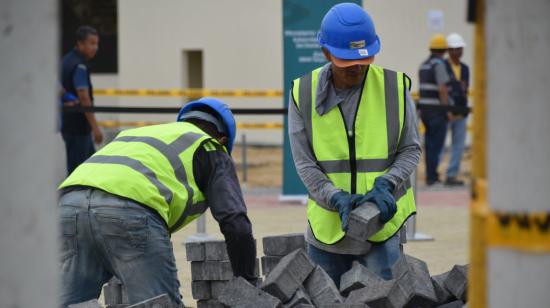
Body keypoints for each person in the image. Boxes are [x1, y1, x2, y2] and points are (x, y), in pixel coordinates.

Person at [57, 98, 257, 307]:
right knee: (158, 304)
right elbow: (236, 223)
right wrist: (249, 285)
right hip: (129, 210)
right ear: (223, 139)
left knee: (68, 303)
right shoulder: (209, 146)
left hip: (68, 207)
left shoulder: (140, 134)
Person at [288, 3, 420, 286]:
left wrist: (388, 184)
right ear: (326, 53)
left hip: (381, 229)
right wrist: (334, 196)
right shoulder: (303, 93)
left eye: (364, 59)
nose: (358, 67)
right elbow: (304, 162)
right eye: (348, 61)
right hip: (328, 232)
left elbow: (410, 149)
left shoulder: (394, 87)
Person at [60, 26, 103, 175]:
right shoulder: (79, 66)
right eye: (91, 43)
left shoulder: (66, 60)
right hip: (79, 126)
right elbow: (84, 97)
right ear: (80, 44)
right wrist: (96, 128)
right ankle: (72, 198)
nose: (95, 48)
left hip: (69, 123)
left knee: (89, 165)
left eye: (97, 44)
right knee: (79, 172)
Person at [418, 34, 452, 186]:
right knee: (436, 145)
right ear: (444, 49)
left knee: (430, 144)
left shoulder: (424, 65)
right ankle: (433, 178)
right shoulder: (439, 64)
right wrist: (447, 110)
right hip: (437, 111)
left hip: (425, 110)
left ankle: (429, 176)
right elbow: (443, 89)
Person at [443, 33, 470, 186]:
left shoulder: (465, 68)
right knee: (439, 145)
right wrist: (447, 110)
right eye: (454, 49)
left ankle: (451, 174)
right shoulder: (444, 67)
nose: (458, 52)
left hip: (461, 112)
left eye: (460, 48)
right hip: (447, 113)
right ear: (449, 50)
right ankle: (434, 175)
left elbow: (465, 89)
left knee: (458, 146)